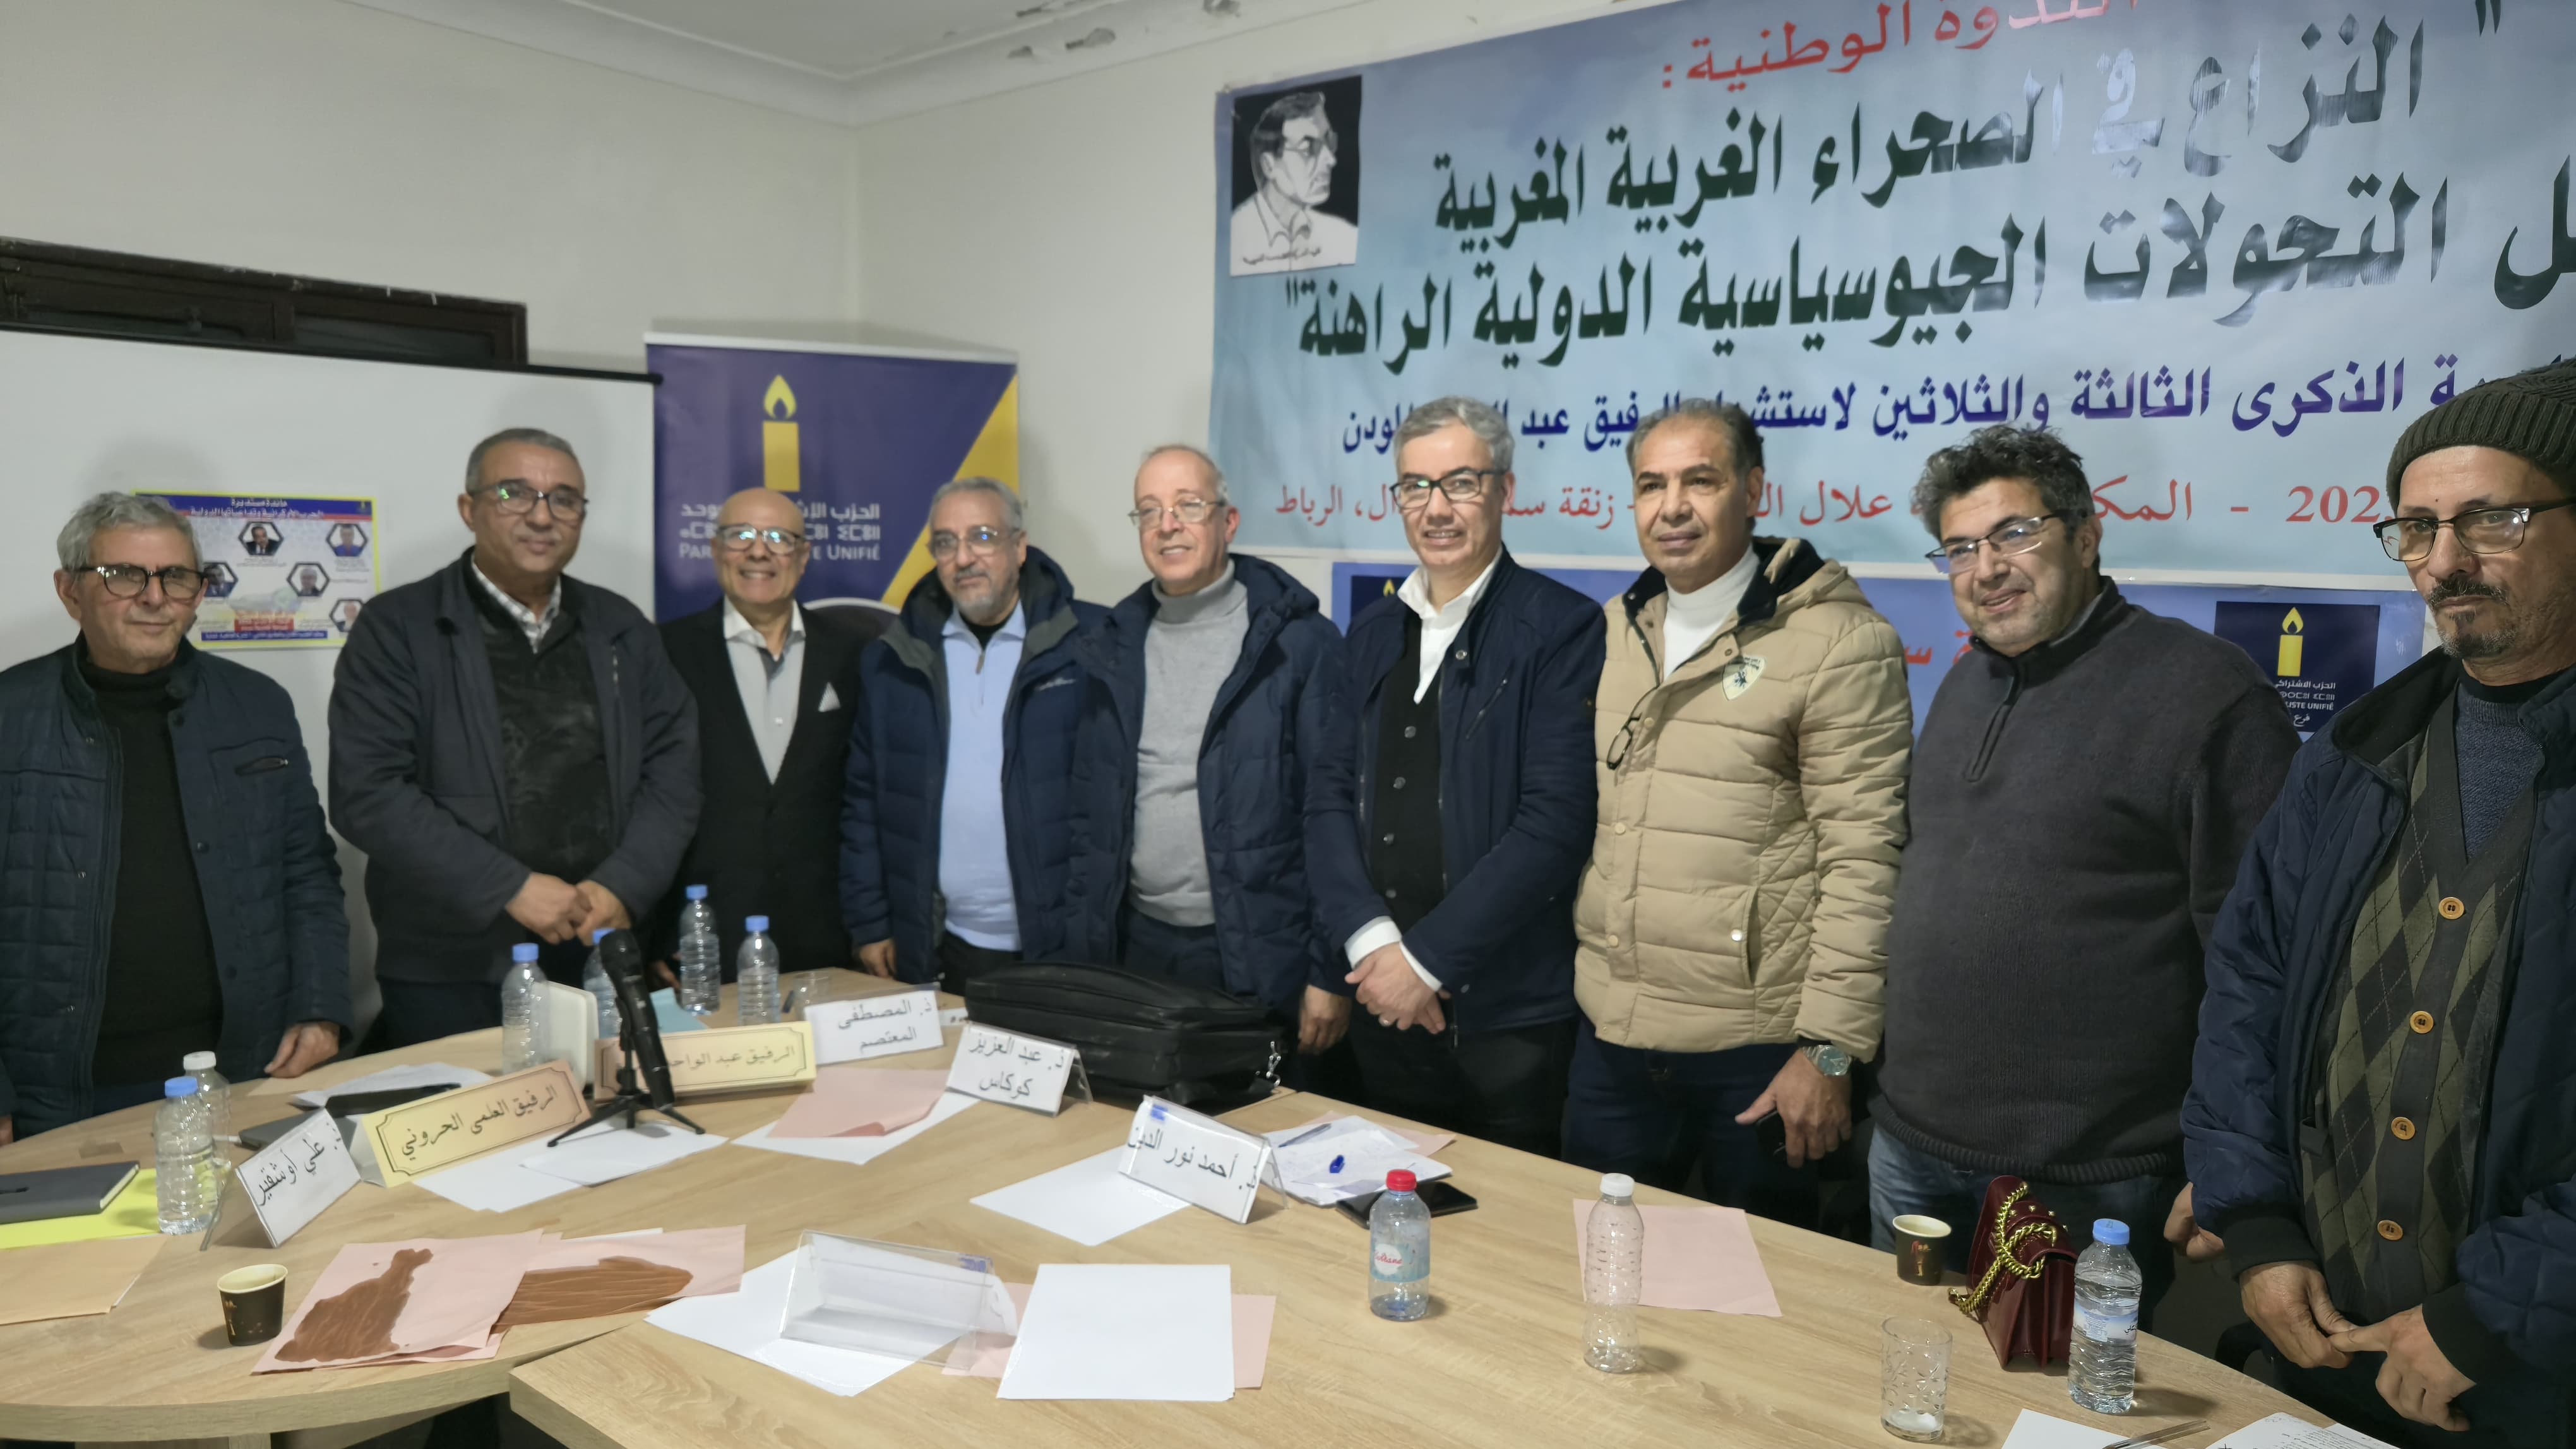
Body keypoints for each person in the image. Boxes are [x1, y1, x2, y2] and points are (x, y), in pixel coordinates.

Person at [2181, 363, 2576, 1446]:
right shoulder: (2354, 757)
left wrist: (2488, 1316)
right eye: (2416, 528)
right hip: (2329, 1352)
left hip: (2531, 1384)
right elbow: (2249, 987)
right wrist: (2258, 1227)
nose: (2446, 560)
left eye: (2491, 519)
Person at [1868, 425, 2297, 1315]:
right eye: (1960, 548)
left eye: (2015, 533)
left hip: (2083, 1179)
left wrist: (2239, 1154)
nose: (1986, 568)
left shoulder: (2207, 693)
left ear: (2088, 535)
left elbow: (2266, 957)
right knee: (1900, 1372)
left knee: (2054, 1391)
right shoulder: (1967, 682)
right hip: (1910, 1149)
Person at [1561, 401, 1911, 1224]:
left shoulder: (1839, 642)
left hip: (1761, 1058)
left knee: (1758, 1289)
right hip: (1612, 1039)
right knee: (1591, 1263)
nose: (1672, 507)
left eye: (1700, 481)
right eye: (1652, 485)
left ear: (1753, 491)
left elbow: (1865, 860)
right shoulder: (1615, 629)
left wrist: (1829, 1053)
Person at [330, 428, 698, 1046]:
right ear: (468, 508)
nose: (542, 516)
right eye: (514, 494)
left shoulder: (621, 627)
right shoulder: (399, 628)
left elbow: (675, 771)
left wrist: (625, 884)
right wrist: (510, 887)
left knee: (613, 1105)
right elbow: (367, 792)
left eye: (564, 499)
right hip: (451, 967)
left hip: (597, 946)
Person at [0, 493, 348, 1142]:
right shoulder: (11, 714)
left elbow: (306, 870)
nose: (155, 597)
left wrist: (320, 1005)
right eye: (124, 575)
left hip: (245, 1070)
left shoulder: (257, 705)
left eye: (176, 577)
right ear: (70, 591)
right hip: (59, 1095)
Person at [1306, 397, 1602, 1157]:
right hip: (1381, 1003)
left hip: (1510, 1024)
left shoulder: (1562, 629)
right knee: (1390, 1209)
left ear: (1506, 491)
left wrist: (1425, 963)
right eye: (1416, 487)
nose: (1436, 509)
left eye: (1461, 483)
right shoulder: (1370, 631)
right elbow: (1328, 799)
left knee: (1512, 1220)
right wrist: (1373, 946)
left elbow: (1555, 823)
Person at [1063, 444, 1351, 1061]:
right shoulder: (1109, 647)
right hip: (1136, 948)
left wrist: (1330, 970)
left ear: (1229, 521)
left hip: (1257, 954)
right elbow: (1087, 817)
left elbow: (1336, 821)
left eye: (1188, 505)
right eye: (1149, 510)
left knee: (1254, 1117)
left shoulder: (1298, 644)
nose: (1167, 525)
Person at [841, 478, 1101, 988]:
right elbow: (864, 799)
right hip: (942, 945)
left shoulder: (1090, 645)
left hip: (1061, 943)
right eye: (945, 542)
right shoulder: (894, 661)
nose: (963, 558)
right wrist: (870, 922)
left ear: (1019, 547)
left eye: (982, 536)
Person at [652, 488, 871, 982]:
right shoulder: (665, 652)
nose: (758, 552)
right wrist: (654, 930)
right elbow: (644, 800)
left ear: (804, 556)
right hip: (702, 940)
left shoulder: (853, 653)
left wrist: (873, 926)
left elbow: (869, 798)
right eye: (741, 536)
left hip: (828, 937)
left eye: (778, 538)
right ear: (715, 550)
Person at [1230, 90, 1358, 274]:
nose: (1331, 159)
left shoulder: (1345, 238)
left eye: (1329, 142)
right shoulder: (1234, 239)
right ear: (1269, 165)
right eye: (1309, 148)